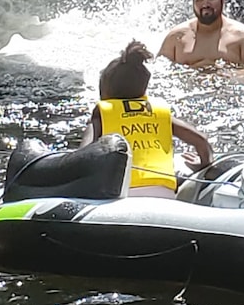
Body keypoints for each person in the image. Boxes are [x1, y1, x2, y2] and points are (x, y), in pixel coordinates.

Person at [82, 40, 212, 194]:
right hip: (164, 193)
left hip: (119, 194)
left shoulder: (102, 115)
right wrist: (203, 164)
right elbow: (201, 141)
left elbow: (82, 156)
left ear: (104, 91)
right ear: (143, 91)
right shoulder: (158, 113)